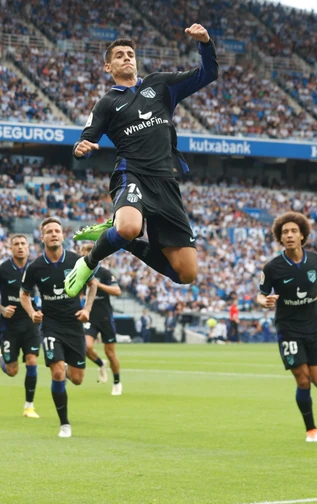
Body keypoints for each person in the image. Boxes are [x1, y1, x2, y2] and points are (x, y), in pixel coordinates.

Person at [63, 24, 219, 297]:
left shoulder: (160, 84)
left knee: (186, 274)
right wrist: (80, 148)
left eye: (130, 54)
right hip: (131, 173)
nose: (126, 57)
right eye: (119, 55)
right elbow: (85, 138)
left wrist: (205, 43)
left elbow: (208, 73)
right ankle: (88, 262)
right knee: (130, 227)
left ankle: (119, 238)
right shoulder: (106, 103)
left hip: (166, 181)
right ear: (108, 67)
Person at [257, 212, 317, 442]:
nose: (289, 235)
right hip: (288, 330)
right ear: (280, 238)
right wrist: (264, 301)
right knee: (303, 380)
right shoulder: (272, 267)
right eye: (285, 232)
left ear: (302, 235)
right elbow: (260, 294)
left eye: (294, 231)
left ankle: (307, 374)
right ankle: (311, 429)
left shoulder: (316, 261)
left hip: (313, 327)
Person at [19, 218, 98, 438]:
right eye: (49, 231)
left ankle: (64, 367)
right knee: (56, 372)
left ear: (63, 235)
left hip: (74, 324)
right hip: (51, 325)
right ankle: (64, 424)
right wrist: (32, 313)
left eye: (57, 231)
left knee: (78, 379)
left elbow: (92, 284)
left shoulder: (76, 261)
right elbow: (24, 294)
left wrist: (87, 309)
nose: (53, 234)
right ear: (42, 237)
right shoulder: (35, 267)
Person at [0, 234, 40, 418]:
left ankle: (29, 407)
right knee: (12, 371)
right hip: (9, 326)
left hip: (30, 322)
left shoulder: (35, 268)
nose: (20, 247)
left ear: (28, 247)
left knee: (32, 360)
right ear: (11, 248)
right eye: (16, 244)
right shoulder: (3, 269)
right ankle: (0, 358)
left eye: (23, 244)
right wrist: (2, 309)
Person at [79, 243, 123, 396]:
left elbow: (117, 291)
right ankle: (100, 364)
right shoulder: (80, 273)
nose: (85, 257)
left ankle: (117, 382)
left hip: (105, 317)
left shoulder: (104, 273)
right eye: (82, 254)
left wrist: (98, 285)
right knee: (86, 347)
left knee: (110, 353)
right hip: (89, 317)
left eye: (87, 253)